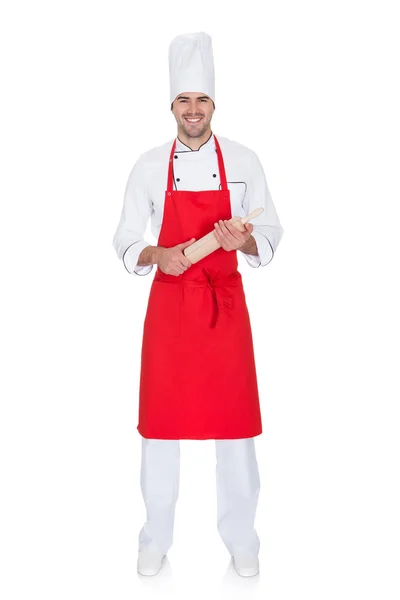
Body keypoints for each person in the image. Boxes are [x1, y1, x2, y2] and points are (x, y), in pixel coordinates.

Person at [112, 32, 284, 578]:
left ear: (214, 103)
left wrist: (245, 241)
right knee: (160, 428)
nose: (193, 111)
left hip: (225, 310)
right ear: (171, 106)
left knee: (235, 429)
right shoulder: (146, 166)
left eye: (202, 100)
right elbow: (123, 239)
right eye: (184, 101)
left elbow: (273, 230)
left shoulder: (243, 161)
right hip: (169, 312)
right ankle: (154, 537)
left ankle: (242, 538)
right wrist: (157, 253)